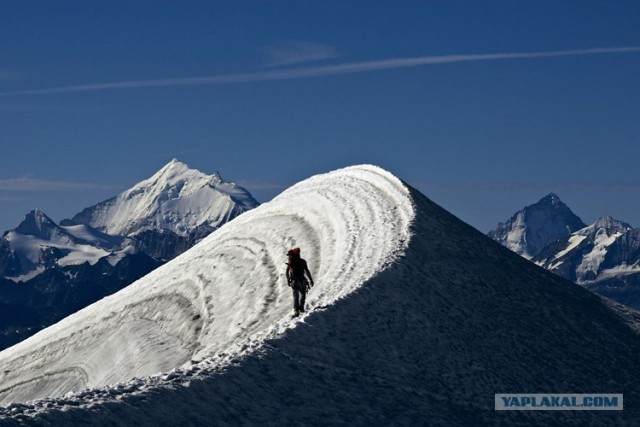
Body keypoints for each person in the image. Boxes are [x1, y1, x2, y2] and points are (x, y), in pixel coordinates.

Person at [286, 247, 314, 317]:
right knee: (303, 293)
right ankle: (301, 307)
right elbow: (307, 271)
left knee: (296, 296)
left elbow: (286, 272)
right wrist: (311, 280)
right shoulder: (303, 261)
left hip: (294, 281)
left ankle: (296, 310)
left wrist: (288, 280)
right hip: (302, 280)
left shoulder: (291, 262)